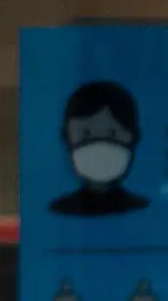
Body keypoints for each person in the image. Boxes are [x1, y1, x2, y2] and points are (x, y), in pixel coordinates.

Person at [55, 78, 153, 217]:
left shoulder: (140, 208)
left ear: (134, 137)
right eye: (86, 135)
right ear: (66, 137)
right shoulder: (61, 210)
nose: (99, 146)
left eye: (112, 134)